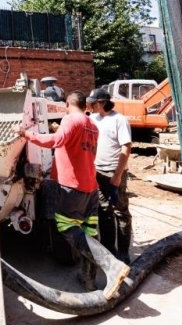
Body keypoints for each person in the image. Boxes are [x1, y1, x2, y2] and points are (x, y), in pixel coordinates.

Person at [17, 90, 130, 298]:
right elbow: (85, 151)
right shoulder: (92, 125)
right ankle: (88, 279)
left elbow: (54, 141)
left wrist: (26, 134)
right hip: (90, 187)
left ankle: (112, 266)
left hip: (72, 187)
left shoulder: (70, 119)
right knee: (89, 233)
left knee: (66, 226)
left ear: (68, 103)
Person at [87, 88, 133, 264]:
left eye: (94, 103)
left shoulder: (119, 120)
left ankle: (123, 252)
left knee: (120, 212)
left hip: (113, 172)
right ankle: (108, 250)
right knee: (103, 210)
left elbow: (126, 148)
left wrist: (118, 175)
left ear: (103, 102)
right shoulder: (93, 119)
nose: (91, 105)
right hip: (97, 172)